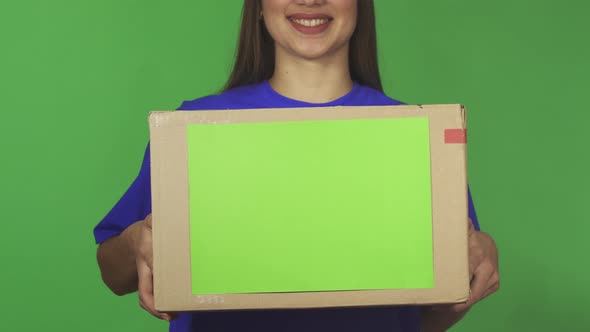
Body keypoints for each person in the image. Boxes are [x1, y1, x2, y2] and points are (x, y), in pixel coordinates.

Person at [94, 0, 500, 331]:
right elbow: (114, 276)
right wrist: (134, 243)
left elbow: (426, 313)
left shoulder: (419, 134)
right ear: (257, 6)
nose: (311, 0)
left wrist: (473, 271)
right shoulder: (193, 129)